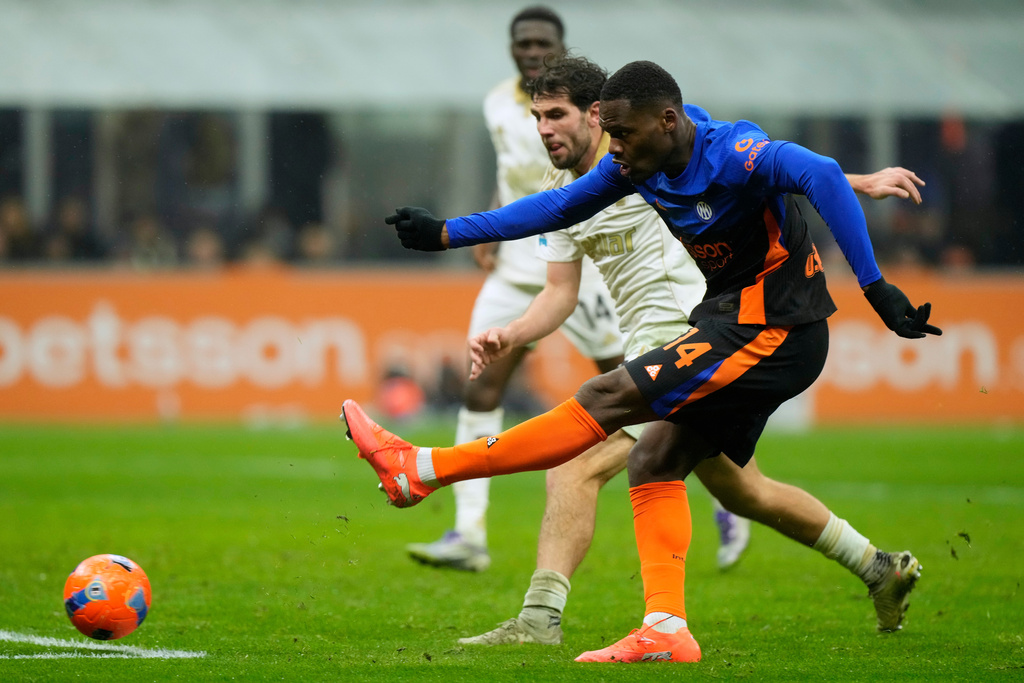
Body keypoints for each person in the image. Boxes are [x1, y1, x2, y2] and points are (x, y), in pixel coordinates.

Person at [353, 60, 940, 663]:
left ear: (659, 121)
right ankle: (680, 623)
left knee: (593, 425)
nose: (616, 150)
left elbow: (808, 171)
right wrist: (448, 234)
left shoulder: (727, 149)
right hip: (724, 324)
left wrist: (875, 285)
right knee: (668, 464)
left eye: (619, 134)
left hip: (768, 327)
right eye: (538, 118)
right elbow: (554, 218)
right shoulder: (630, 167)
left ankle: (425, 472)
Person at [404, 6, 750, 574]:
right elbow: (527, 189)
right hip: (527, 259)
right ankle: (468, 531)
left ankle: (546, 609)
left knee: (594, 449)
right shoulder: (507, 114)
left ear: (592, 112)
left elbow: (744, 159)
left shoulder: (635, 151)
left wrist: (447, 232)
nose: (544, 129)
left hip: (685, 327)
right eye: (523, 42)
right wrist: (502, 306)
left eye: (544, 42)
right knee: (486, 389)